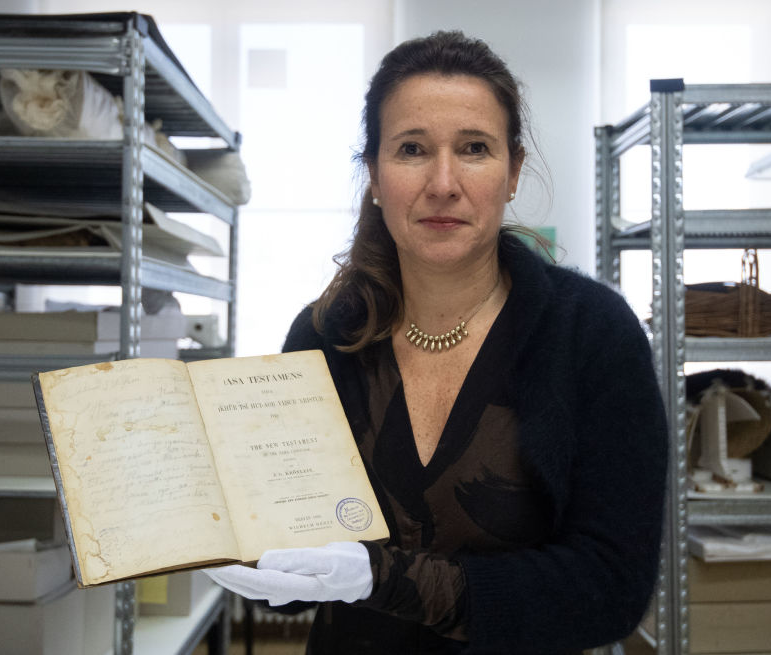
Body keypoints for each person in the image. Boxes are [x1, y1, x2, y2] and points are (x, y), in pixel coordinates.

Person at [207, 30, 668, 654]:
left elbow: (612, 587)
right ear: (373, 173)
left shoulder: (593, 335)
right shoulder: (324, 335)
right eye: (413, 149)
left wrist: (383, 578)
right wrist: (238, 544)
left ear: (512, 172)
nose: (443, 182)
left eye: (474, 148)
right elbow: (295, 565)